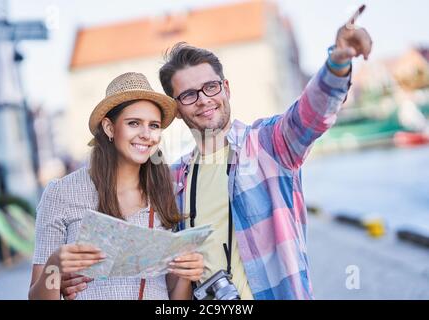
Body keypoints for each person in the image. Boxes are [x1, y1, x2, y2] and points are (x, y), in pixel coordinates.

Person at [63, 7, 373, 300]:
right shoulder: (174, 179)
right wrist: (77, 273)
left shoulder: (267, 146)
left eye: (210, 87)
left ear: (225, 87)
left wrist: (337, 64)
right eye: (188, 94)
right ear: (178, 109)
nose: (203, 100)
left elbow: (310, 114)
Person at [28, 72, 204, 300]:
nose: (146, 134)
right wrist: (55, 265)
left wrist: (186, 273)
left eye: (154, 125)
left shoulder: (165, 191)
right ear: (109, 128)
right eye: (133, 123)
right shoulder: (61, 193)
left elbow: (175, 298)